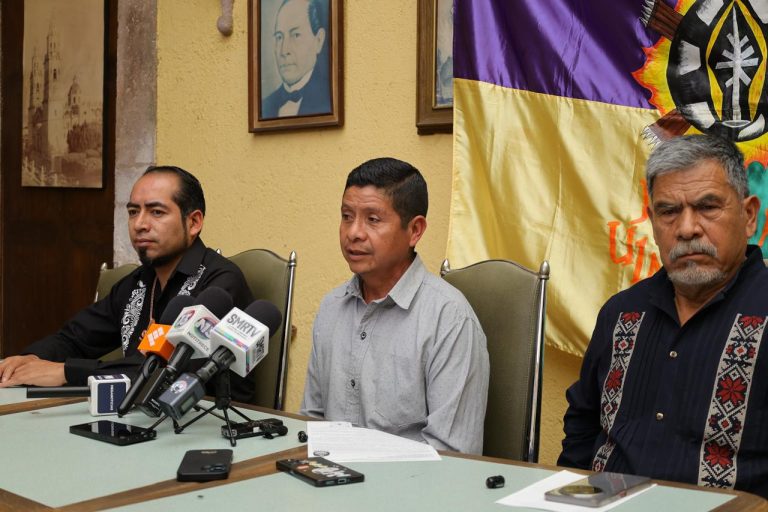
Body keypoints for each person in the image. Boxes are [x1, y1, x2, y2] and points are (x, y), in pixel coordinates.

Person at [558, 134, 768, 497]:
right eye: (669, 212)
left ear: (749, 216)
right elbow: (582, 425)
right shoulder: (621, 314)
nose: (686, 229)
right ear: (653, 221)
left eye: (707, 207)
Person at [0, 165, 256, 402]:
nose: (140, 224)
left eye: (156, 212)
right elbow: (75, 339)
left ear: (193, 222)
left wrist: (66, 372)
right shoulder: (139, 282)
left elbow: (167, 375)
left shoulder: (220, 286)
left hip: (210, 423)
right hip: (138, 417)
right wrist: (28, 361)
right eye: (133, 212)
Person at [301, 157, 489, 454]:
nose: (353, 233)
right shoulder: (331, 307)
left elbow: (452, 455)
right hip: (329, 476)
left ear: (415, 230)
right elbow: (312, 424)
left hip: (413, 482)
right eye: (347, 216)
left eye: (373, 219)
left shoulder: (449, 319)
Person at [262, 0, 331, 118]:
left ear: (319, 40)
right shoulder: (265, 106)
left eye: (296, 35)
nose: (284, 51)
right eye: (279, 37)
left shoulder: (329, 100)